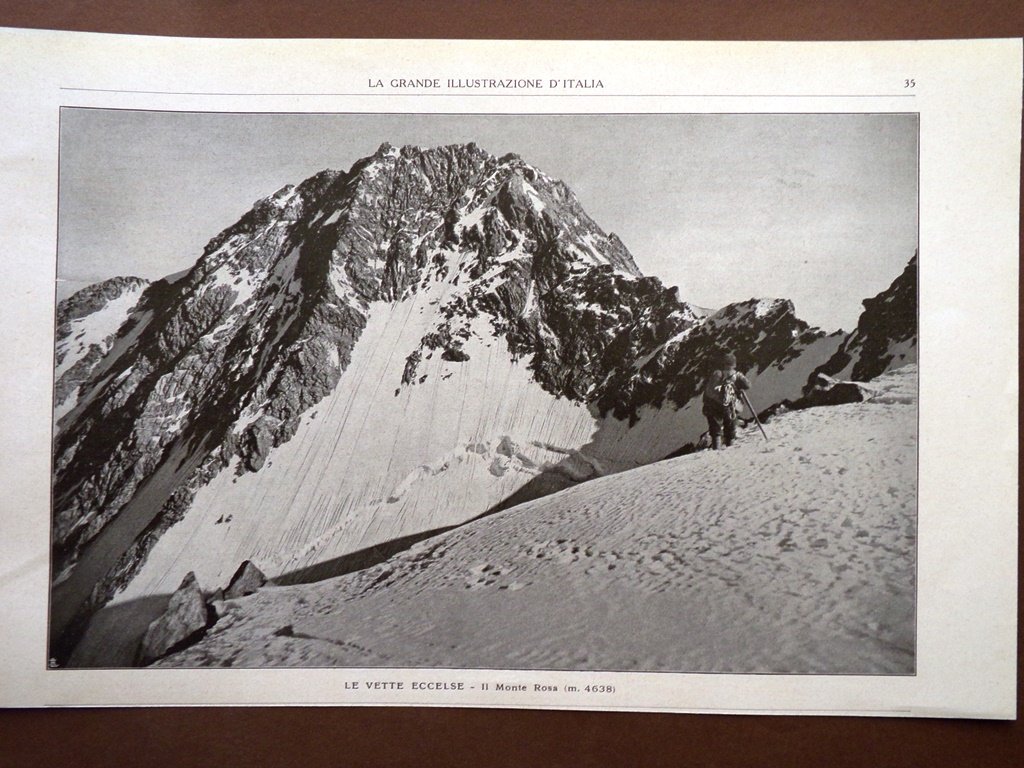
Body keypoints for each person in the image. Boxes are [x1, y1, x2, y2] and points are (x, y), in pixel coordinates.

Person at [702, 350, 751, 450]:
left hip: (712, 406)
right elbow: (748, 385)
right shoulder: (736, 375)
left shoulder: (717, 373)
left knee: (715, 429)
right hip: (729, 406)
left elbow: (709, 392)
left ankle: (717, 449)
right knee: (730, 426)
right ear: (734, 364)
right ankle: (730, 448)